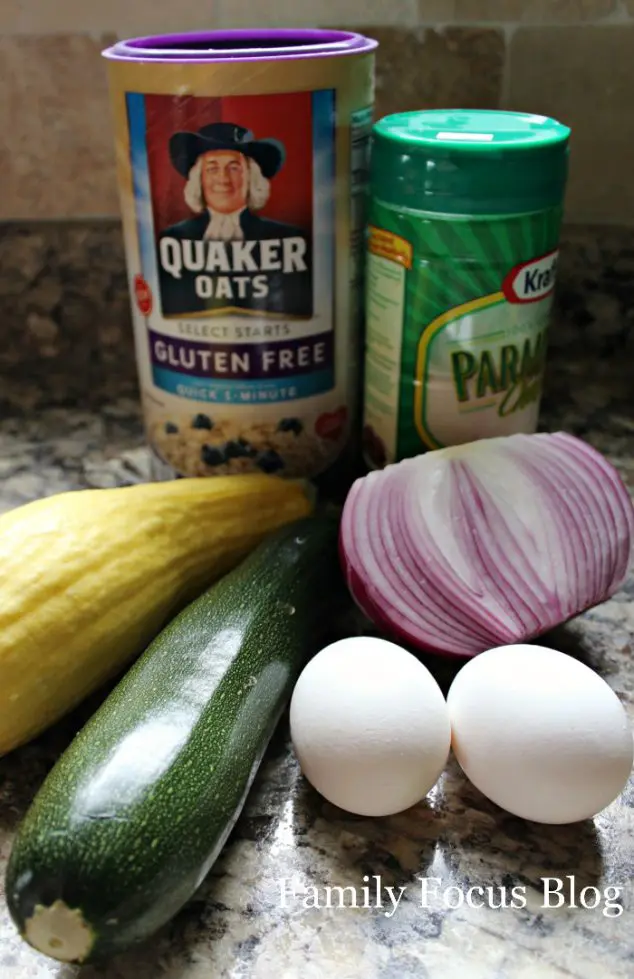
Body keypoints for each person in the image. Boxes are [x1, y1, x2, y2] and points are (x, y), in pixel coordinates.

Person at [156, 121, 312, 317]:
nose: (223, 179)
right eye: (212, 169)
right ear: (199, 179)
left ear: (251, 178)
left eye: (234, 168)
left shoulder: (289, 238)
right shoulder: (173, 239)